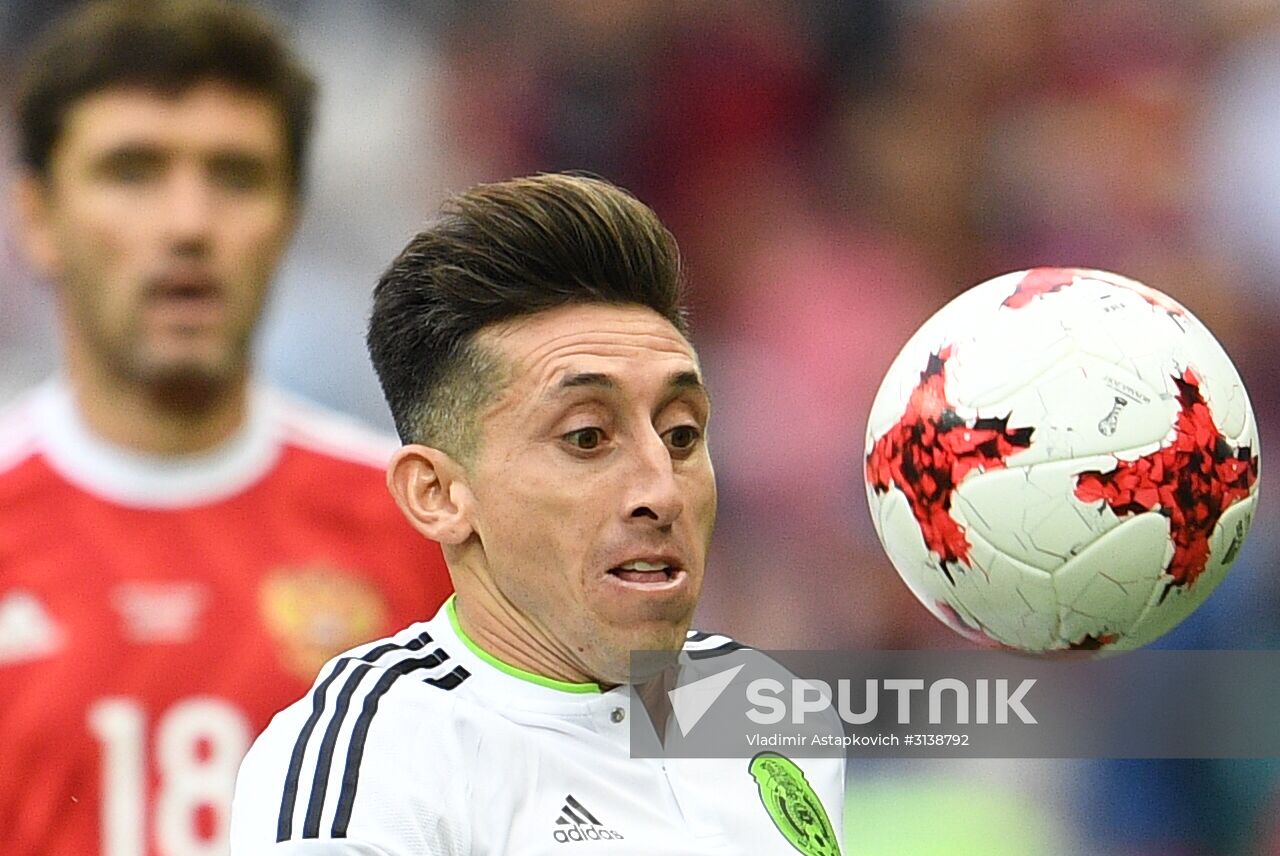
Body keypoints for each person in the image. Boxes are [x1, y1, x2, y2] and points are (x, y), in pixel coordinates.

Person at [230, 173, 846, 853]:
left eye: (681, 435)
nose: (662, 491)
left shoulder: (761, 706)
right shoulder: (380, 771)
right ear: (437, 494)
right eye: (587, 437)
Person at [0, 2, 452, 854]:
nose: (189, 224)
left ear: (288, 216)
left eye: (236, 175)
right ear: (36, 216)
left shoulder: (431, 527)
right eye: (132, 171)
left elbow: (667, 753)